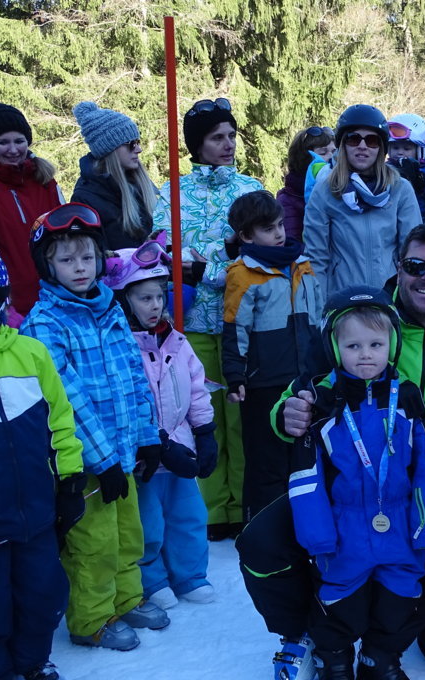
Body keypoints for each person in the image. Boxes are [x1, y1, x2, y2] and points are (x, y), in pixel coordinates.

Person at [237, 222, 425, 680]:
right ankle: (304, 635)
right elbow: (299, 395)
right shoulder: (358, 323)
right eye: (416, 266)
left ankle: (383, 644)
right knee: (260, 543)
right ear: (399, 268)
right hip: (343, 491)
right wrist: (287, 414)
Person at [287, 287, 425, 680]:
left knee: (401, 598)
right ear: (333, 347)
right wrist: (318, 535)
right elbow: (305, 475)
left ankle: (380, 663)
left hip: (399, 522)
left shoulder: (406, 396)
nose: (365, 355)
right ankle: (336, 664)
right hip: (345, 526)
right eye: (353, 346)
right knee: (342, 601)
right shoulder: (320, 400)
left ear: (392, 343)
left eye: (376, 344)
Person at [21, 203, 167, 651]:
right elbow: (67, 400)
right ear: (48, 265)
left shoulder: (110, 310)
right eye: (66, 260)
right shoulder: (45, 323)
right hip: (86, 463)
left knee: (128, 533)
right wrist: (101, 461)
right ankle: (92, 618)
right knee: (94, 542)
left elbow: (134, 375)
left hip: (123, 450)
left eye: (87, 257)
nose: (80, 267)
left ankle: (126, 598)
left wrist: (148, 436)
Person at [0, 244, 84, 680]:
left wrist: (70, 479)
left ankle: (31, 661)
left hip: (37, 509)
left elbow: (60, 419)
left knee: (43, 591)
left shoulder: (31, 353)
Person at [152, 97, 263, 539]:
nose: (228, 144)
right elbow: (166, 255)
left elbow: (258, 253)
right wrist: (203, 266)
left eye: (232, 135)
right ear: (197, 145)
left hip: (242, 322)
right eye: (217, 137)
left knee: (241, 415)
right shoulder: (173, 194)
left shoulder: (250, 189)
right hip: (193, 322)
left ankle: (245, 502)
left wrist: (210, 268)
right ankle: (214, 508)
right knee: (205, 415)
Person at [102, 240, 219, 609]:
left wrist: (205, 432)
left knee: (189, 516)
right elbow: (125, 400)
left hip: (182, 446)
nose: (155, 305)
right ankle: (152, 579)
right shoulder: (121, 349)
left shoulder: (177, 342)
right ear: (123, 301)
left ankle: (190, 575)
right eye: (144, 298)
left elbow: (196, 388)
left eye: (159, 296)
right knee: (148, 522)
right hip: (145, 456)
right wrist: (155, 442)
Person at [223, 190, 320, 521]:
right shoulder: (242, 273)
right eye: (268, 229)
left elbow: (317, 317)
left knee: (302, 455)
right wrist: (235, 375)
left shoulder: (302, 265)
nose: (279, 233)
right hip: (263, 381)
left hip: (303, 375)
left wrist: (320, 363)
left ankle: (300, 523)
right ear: (247, 236)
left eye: (280, 225)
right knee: (265, 459)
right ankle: (260, 525)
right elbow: (235, 327)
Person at [302, 104, 421, 306]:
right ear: (342, 145)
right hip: (342, 301)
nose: (363, 146)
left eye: (372, 140)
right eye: (354, 139)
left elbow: (412, 252)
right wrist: (319, 309)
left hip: (389, 300)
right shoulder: (325, 191)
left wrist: (409, 305)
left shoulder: (400, 189)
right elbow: (316, 258)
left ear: (381, 148)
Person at [0, 100, 64, 321]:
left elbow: (65, 236)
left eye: (19, 141)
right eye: (3, 142)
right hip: (12, 306)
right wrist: (0, 303)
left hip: (57, 296)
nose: (13, 149)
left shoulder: (44, 179)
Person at [71, 101, 157, 250]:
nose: (138, 149)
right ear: (110, 149)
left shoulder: (139, 186)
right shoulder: (85, 198)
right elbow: (92, 254)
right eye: (131, 144)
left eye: (138, 142)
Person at [277, 126, 335, 243]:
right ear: (304, 159)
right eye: (323, 153)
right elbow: (292, 244)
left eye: (334, 151)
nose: (331, 157)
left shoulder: (343, 190)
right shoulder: (287, 200)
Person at [386, 113, 425, 219]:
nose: (400, 152)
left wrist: (420, 181)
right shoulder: (385, 169)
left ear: (421, 150)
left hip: (422, 220)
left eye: (406, 149)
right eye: (395, 148)